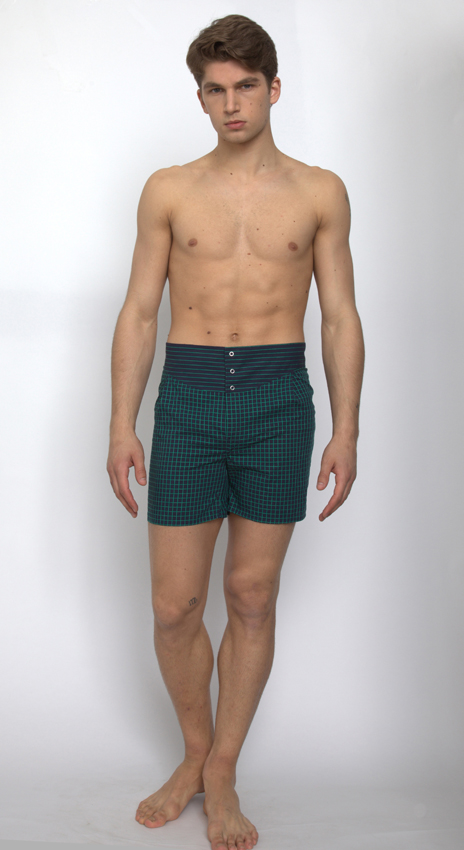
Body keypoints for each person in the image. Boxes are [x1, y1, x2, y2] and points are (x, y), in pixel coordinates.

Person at [106, 13, 364, 850]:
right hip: (186, 399)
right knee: (174, 604)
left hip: (277, 399)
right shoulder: (169, 190)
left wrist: (348, 428)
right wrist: (121, 423)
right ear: (201, 98)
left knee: (252, 595)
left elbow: (339, 317)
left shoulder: (320, 192)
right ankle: (193, 752)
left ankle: (221, 771)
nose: (232, 104)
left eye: (246, 86)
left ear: (273, 88)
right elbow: (140, 311)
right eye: (215, 90)